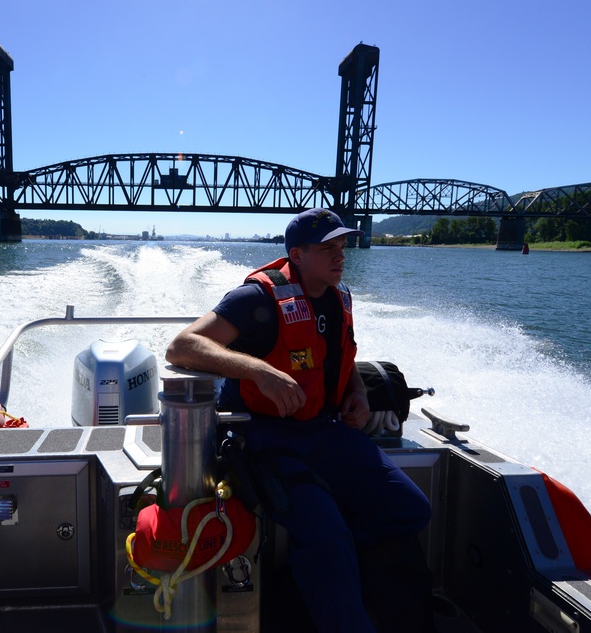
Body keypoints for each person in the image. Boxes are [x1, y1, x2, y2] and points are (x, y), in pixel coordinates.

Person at [166, 208, 434, 632]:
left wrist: (358, 392)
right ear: (297, 253)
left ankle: (313, 563)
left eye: (341, 246)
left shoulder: (338, 294)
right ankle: (329, 567)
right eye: (327, 248)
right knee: (329, 541)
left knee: (412, 510)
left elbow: (340, 359)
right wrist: (257, 370)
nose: (340, 255)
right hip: (268, 438)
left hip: (326, 431)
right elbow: (181, 346)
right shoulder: (256, 299)